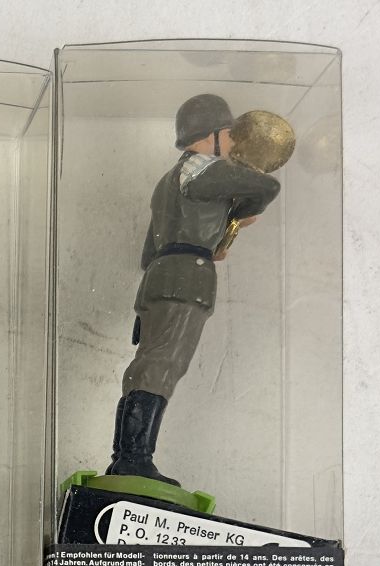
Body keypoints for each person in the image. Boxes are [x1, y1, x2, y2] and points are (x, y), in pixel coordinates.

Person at [107, 94, 281, 485]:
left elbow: (148, 253)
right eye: (230, 134)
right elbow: (267, 186)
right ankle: (134, 460)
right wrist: (238, 212)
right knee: (162, 368)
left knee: (148, 367)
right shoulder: (208, 171)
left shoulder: (166, 183)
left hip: (159, 279)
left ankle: (125, 457)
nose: (234, 143)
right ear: (210, 135)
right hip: (187, 278)